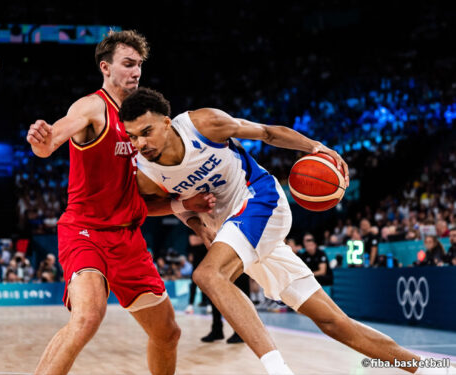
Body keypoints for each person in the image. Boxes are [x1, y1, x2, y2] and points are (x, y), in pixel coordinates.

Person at [120, 87, 443, 375]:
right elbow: (147, 206)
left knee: (208, 275)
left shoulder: (204, 124)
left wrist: (314, 146)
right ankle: (430, 370)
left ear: (167, 121)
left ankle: (276, 368)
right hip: (236, 231)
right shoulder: (146, 174)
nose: (140, 143)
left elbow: (268, 133)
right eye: (132, 136)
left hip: (261, 201)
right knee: (333, 322)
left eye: (146, 131)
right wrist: (191, 215)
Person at [26, 31, 214, 375]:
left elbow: (136, 199)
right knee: (87, 317)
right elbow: (56, 135)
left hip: (127, 239)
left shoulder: (138, 122)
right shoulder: (92, 107)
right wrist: (44, 141)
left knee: (168, 333)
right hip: (86, 232)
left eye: (139, 65)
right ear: (106, 68)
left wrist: (186, 205)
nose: (136, 72)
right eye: (128, 64)